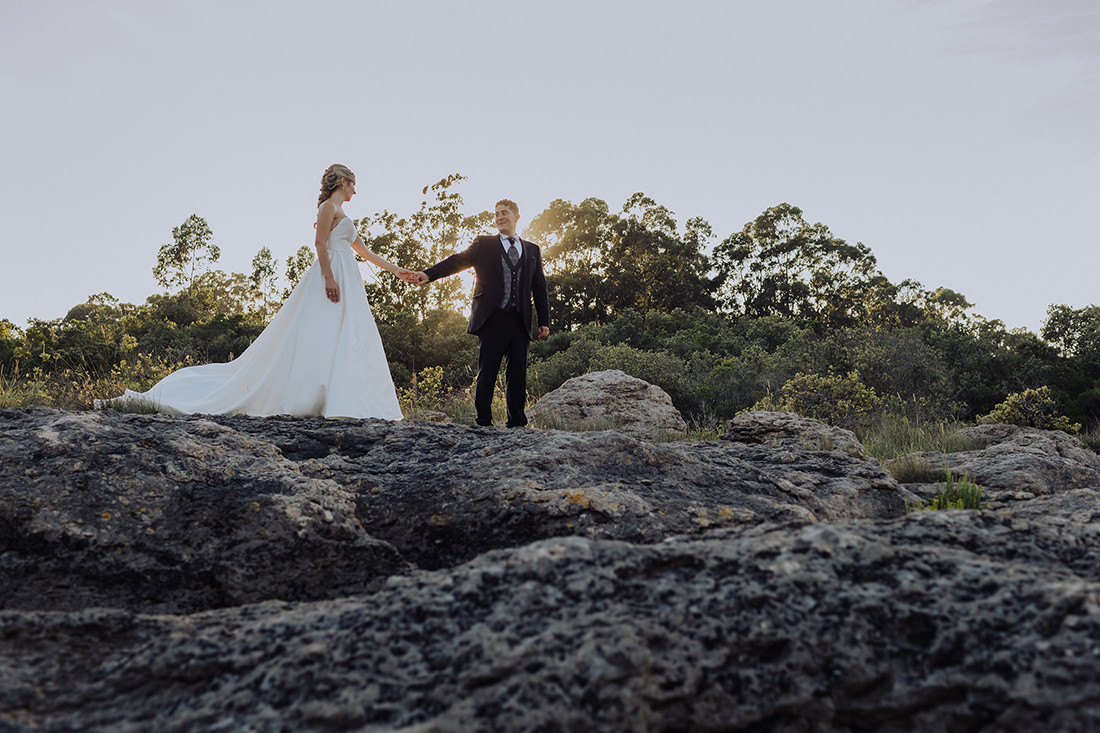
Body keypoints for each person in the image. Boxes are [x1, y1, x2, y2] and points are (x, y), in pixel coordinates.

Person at [99, 164, 410, 419]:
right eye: (354, 184)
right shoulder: (328, 207)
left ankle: (343, 396)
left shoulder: (343, 213)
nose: (356, 190)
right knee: (322, 330)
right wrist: (329, 278)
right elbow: (319, 245)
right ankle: (315, 394)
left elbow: (365, 251)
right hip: (332, 275)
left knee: (348, 333)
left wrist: (398, 270)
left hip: (349, 274)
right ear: (343, 181)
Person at [410, 199, 550, 427]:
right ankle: (483, 422)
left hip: (521, 319)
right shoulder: (484, 244)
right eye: (496, 214)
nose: (499, 217)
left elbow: (539, 287)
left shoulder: (532, 249)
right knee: (488, 371)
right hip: (493, 317)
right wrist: (428, 274)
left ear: (516, 216)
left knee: (518, 374)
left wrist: (544, 321)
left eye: (504, 213)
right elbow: (457, 261)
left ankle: (517, 423)